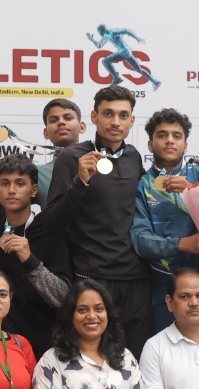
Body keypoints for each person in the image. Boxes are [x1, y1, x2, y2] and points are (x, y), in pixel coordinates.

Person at [38, 85, 157, 356]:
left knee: (136, 361)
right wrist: (80, 182)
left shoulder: (133, 156)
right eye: (108, 114)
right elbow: (51, 222)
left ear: (132, 121)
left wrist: (197, 168)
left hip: (136, 279)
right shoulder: (72, 158)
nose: (115, 122)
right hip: (93, 278)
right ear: (94, 117)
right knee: (94, 361)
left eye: (123, 115)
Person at [130, 108, 199, 330]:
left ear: (186, 145)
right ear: (150, 145)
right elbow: (140, 240)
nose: (170, 140)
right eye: (162, 135)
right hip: (163, 285)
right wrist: (182, 244)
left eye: (176, 136)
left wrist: (192, 190)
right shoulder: (142, 184)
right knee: (166, 347)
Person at [0, 154, 70, 357]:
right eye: (5, 183)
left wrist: (30, 260)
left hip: (47, 348)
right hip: (1, 345)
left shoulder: (51, 229)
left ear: (33, 190)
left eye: (20, 183)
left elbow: (63, 297)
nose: (12, 190)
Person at [0, 97, 86, 225]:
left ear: (82, 127)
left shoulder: (100, 165)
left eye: (68, 118)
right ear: (46, 133)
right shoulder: (38, 173)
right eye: (54, 120)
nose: (61, 122)